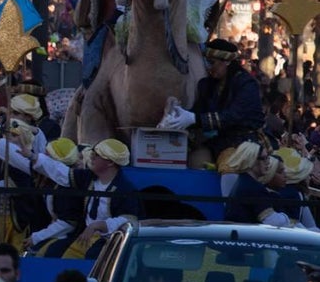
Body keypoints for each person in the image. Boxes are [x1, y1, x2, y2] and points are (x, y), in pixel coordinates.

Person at [158, 39, 264, 168]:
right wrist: (177, 112)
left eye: (212, 62)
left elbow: (233, 116)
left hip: (245, 141)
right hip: (219, 142)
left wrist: (194, 119)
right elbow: (198, 113)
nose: (208, 67)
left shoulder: (246, 84)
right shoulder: (206, 85)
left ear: (227, 62)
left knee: (229, 166)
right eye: (206, 62)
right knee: (196, 160)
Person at [31, 138, 140, 259]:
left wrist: (99, 225)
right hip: (85, 236)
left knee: (87, 256)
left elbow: (128, 221)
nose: (92, 157)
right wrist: (32, 156)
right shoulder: (89, 178)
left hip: (109, 241)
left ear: (110, 163)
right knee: (52, 252)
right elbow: (63, 173)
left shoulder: (125, 189)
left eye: (97, 155)